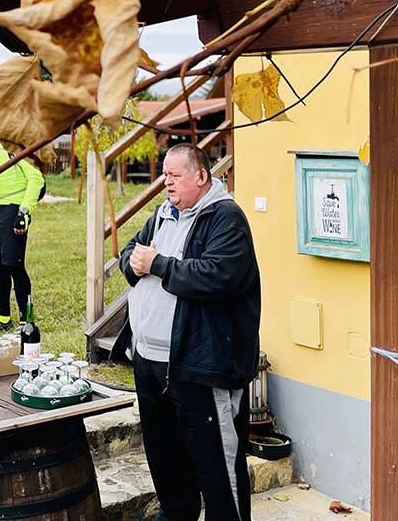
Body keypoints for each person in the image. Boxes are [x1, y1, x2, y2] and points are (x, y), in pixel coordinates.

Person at [117, 143, 261, 521]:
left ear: (201, 176)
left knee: (216, 467)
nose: (167, 183)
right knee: (165, 460)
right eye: (165, 175)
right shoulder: (164, 213)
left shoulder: (225, 218)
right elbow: (132, 252)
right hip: (150, 361)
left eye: (175, 176)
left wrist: (159, 263)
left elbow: (219, 276)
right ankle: (176, 513)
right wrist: (134, 261)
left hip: (199, 364)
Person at [0, 138, 45, 332]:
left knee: (14, 266)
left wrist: (24, 212)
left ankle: (26, 320)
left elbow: (36, 179)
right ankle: (3, 317)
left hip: (12, 209)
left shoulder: (15, 144)